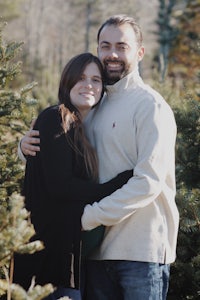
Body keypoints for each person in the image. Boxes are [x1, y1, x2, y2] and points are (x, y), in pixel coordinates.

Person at [18, 15, 179, 300]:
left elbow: (148, 182)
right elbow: (62, 161)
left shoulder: (150, 106)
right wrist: (26, 149)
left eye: (121, 46)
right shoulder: (92, 106)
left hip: (140, 252)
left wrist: (88, 217)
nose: (112, 54)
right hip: (93, 254)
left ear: (140, 52)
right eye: (105, 46)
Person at [14, 52, 132, 300]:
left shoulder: (79, 127)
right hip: (45, 261)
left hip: (64, 254)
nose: (88, 84)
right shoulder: (55, 118)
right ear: (67, 81)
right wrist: (116, 185)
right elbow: (61, 186)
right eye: (80, 78)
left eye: (96, 80)